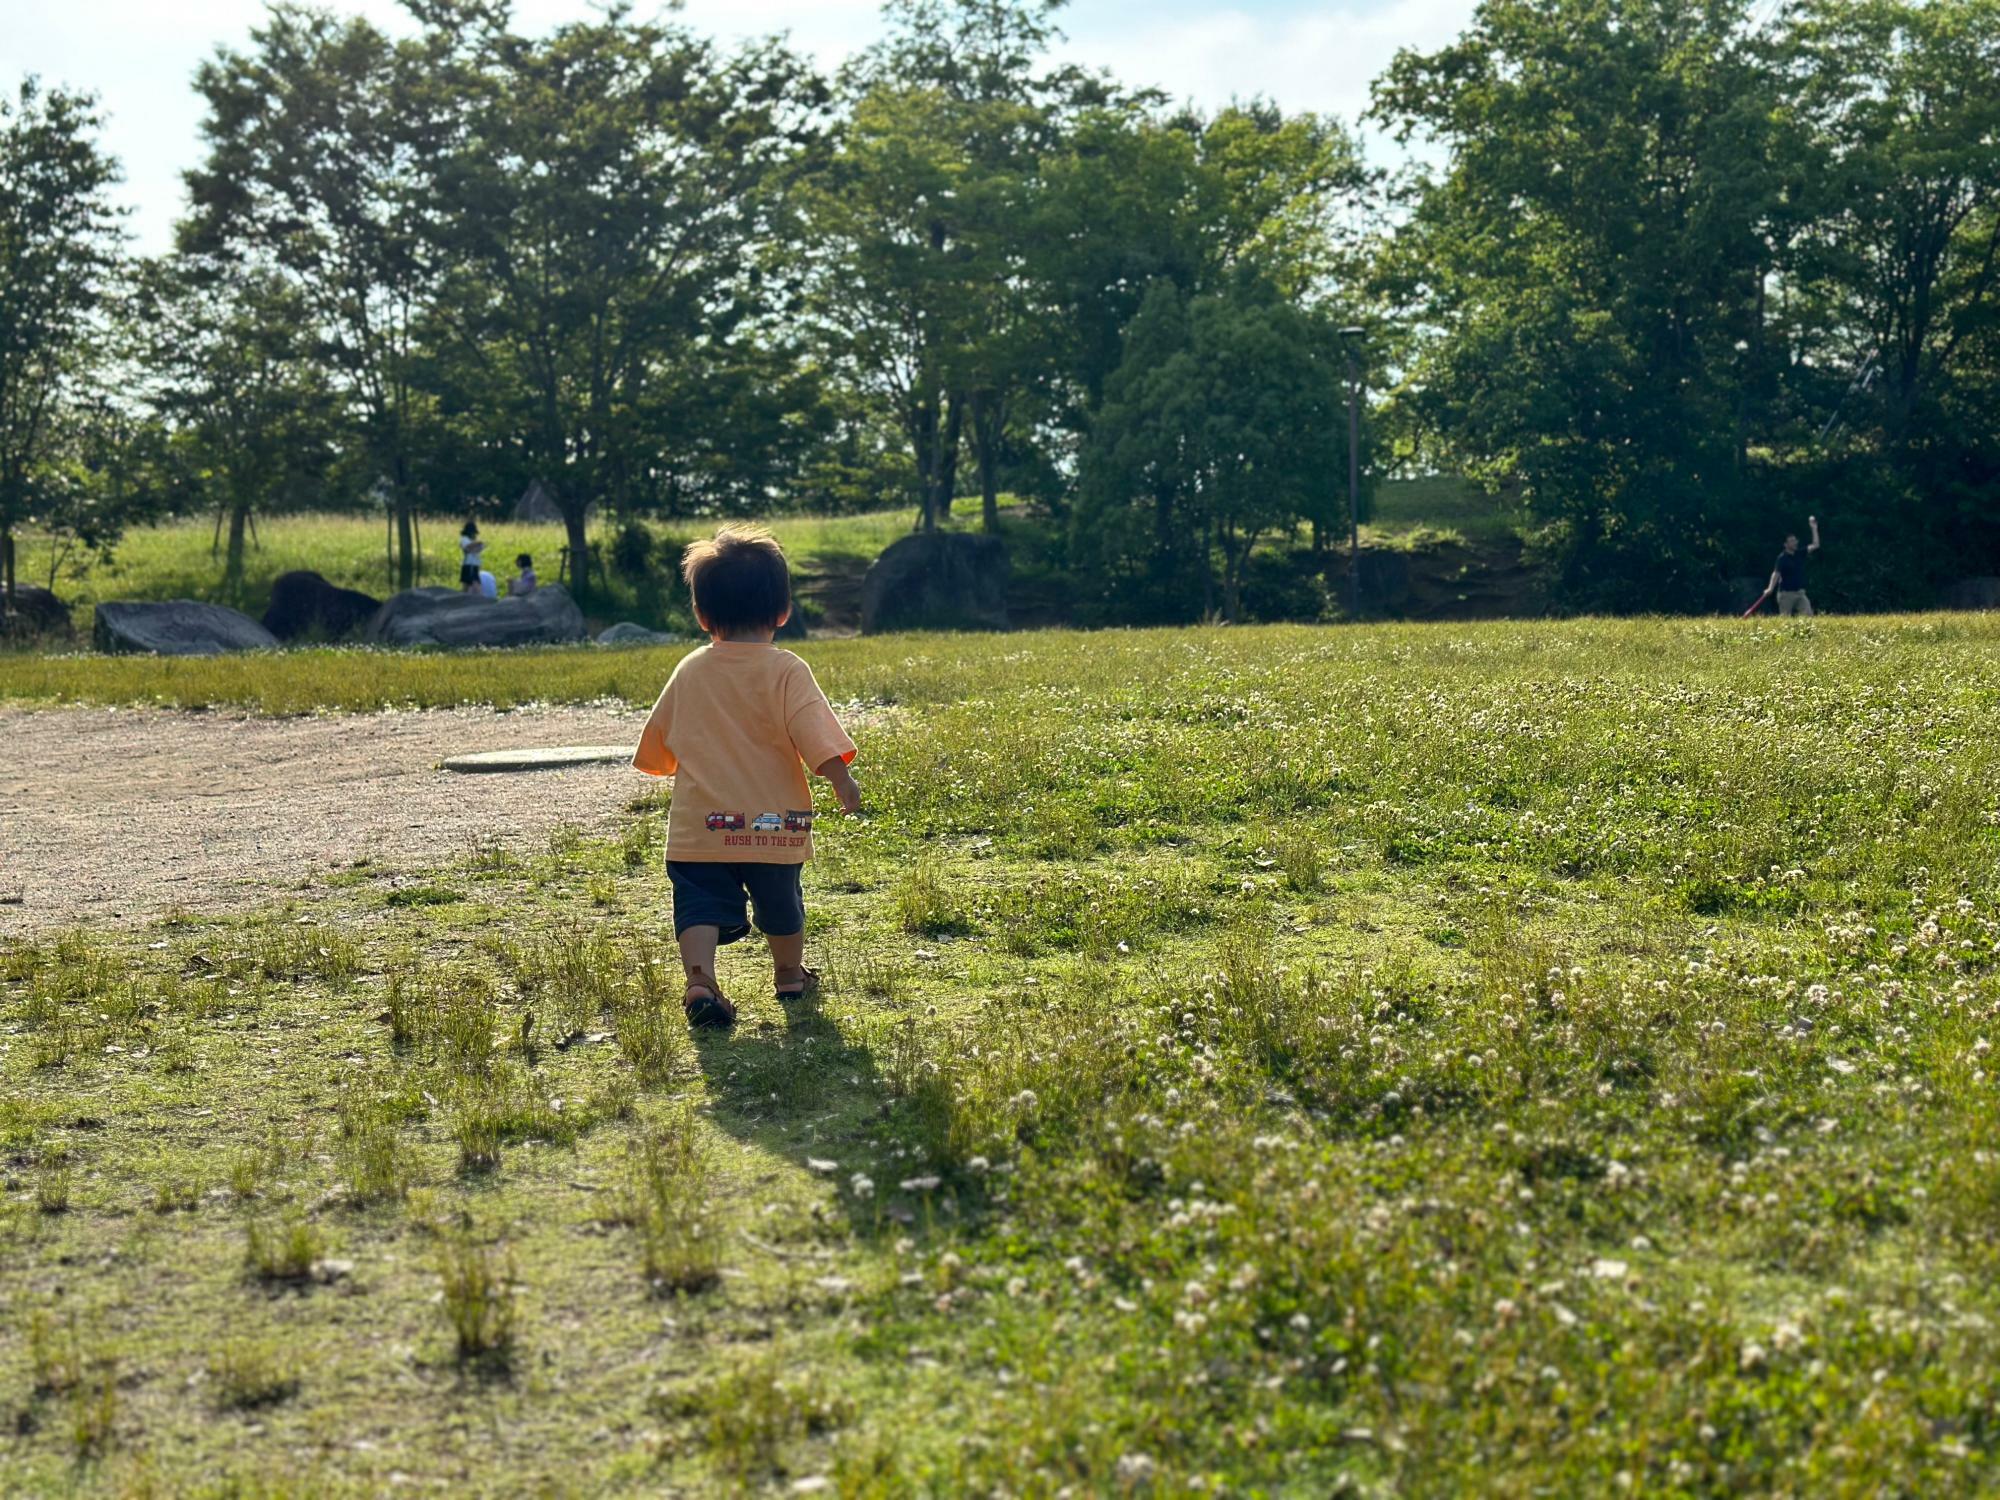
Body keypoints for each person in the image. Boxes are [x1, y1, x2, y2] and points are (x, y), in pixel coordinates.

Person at [631, 526, 861, 1028]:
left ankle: (700, 978)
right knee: (781, 901)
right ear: (782, 611)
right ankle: (789, 975)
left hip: (701, 826)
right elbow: (813, 732)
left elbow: (662, 739)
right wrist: (840, 780)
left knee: (698, 904)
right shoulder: (786, 670)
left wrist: (664, 764)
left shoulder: (690, 670)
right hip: (773, 824)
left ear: (701, 615)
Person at [1767, 516, 1821, 616]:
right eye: (1792, 541)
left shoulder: (1799, 553)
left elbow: (1816, 545)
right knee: (1785, 620)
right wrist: (1770, 588)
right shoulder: (1782, 558)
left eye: (1795, 540)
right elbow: (1776, 574)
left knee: (1808, 616)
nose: (1795, 542)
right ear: (1785, 544)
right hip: (1786, 594)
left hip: (1800, 593)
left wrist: (1814, 528)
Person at [459, 520, 485, 593]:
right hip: (469, 564)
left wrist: (476, 545)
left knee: (467, 585)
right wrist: (476, 544)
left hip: (475, 564)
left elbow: (477, 549)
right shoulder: (464, 539)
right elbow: (467, 548)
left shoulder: (473, 540)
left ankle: (463, 598)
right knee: (474, 583)